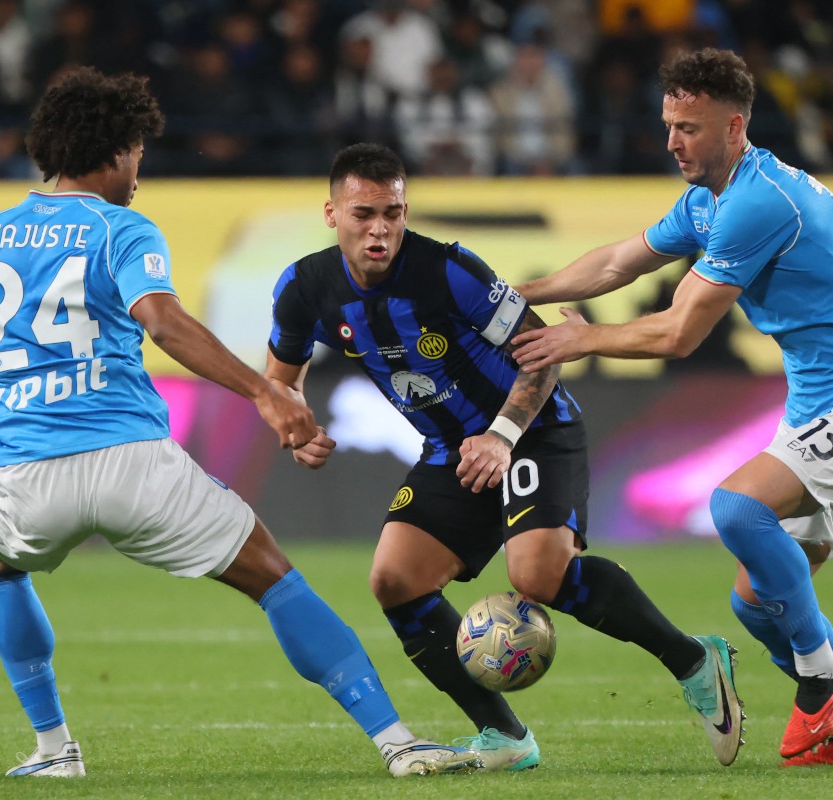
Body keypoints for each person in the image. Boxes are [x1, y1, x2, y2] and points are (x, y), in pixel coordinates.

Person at [0, 68, 481, 780]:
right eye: (138, 151)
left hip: (27, 475)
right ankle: (396, 741)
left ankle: (54, 750)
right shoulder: (121, 227)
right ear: (111, 151)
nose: (140, 170)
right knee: (273, 578)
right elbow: (165, 324)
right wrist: (262, 394)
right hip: (133, 462)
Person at [264, 142, 744, 771]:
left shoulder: (449, 271)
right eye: (363, 214)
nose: (379, 229)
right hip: (451, 450)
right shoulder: (304, 288)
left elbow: (541, 352)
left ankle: (694, 661)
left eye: (393, 212)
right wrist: (294, 426)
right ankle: (505, 737)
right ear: (332, 214)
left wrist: (502, 435)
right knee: (394, 582)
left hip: (534, 430)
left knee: (537, 576)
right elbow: (279, 379)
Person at [511, 48, 833, 766]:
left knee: (736, 509)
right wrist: (519, 298)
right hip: (823, 407)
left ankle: (822, 680)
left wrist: (581, 338)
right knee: (755, 605)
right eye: (669, 124)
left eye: (690, 128)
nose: (673, 141)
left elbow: (678, 331)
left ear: (735, 127)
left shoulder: (756, 202)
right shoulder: (710, 198)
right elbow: (618, 263)